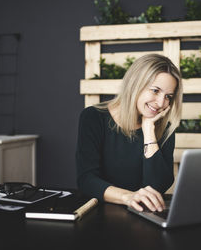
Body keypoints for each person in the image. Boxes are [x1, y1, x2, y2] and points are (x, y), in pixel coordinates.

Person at [76, 54, 183, 212]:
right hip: (99, 212)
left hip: (143, 214)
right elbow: (87, 179)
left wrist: (148, 132)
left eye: (168, 97)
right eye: (155, 91)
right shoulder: (93, 117)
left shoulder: (164, 128)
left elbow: (157, 187)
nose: (161, 103)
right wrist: (128, 197)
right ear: (135, 84)